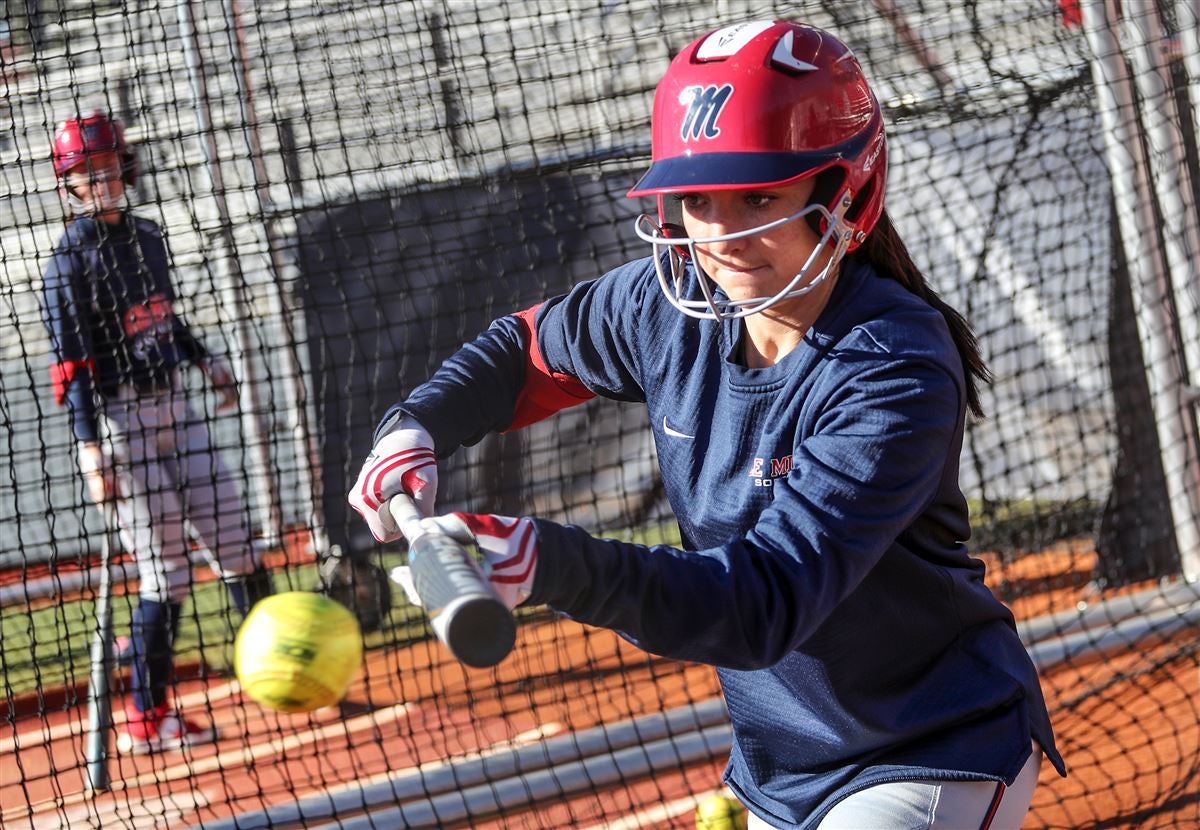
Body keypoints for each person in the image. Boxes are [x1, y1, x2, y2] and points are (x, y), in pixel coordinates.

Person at [349, 20, 1066, 829]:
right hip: (783, 763)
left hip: (929, 741)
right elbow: (523, 353)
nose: (722, 236)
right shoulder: (670, 305)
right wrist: (417, 426)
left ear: (846, 192)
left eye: (760, 196)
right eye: (697, 199)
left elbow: (763, 602)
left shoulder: (891, 364)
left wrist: (548, 562)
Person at [40, 111, 272, 754]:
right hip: (119, 422)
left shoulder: (146, 236)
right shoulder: (67, 264)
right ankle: (148, 717)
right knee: (165, 573)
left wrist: (206, 360)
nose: (104, 178)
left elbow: (166, 321)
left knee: (238, 544)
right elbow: (74, 367)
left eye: (110, 164)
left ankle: (282, 668)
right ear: (71, 184)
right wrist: (90, 447)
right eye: (89, 171)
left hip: (177, 405)